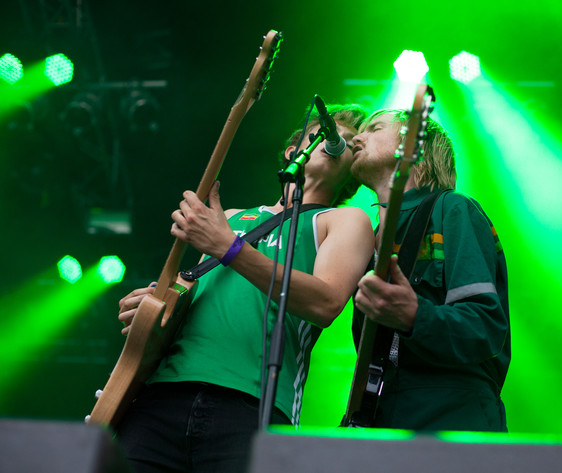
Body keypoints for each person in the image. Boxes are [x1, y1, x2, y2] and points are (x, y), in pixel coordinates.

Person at [114, 103, 374, 473]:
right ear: (292, 151)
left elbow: (326, 302)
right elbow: (189, 294)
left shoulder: (345, 219)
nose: (334, 140)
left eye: (347, 141)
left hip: (255, 405)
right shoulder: (231, 218)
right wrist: (153, 302)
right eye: (323, 133)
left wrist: (228, 247)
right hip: (161, 395)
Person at [349, 109, 510, 432]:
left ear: (411, 146)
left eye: (375, 128)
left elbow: (485, 326)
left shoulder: (452, 208)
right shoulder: (365, 238)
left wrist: (414, 316)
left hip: (451, 413)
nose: (357, 137)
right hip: (382, 414)